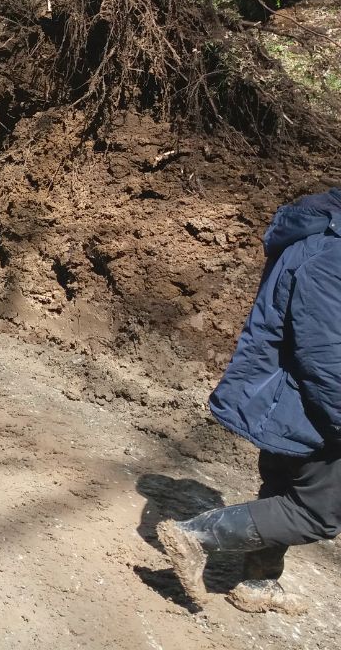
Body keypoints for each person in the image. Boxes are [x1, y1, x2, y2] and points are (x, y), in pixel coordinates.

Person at [157, 187, 341, 615]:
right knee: (317, 513)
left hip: (290, 400)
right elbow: (326, 355)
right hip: (311, 405)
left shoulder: (320, 238)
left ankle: (259, 583)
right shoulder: (332, 256)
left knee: (282, 488)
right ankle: (195, 536)